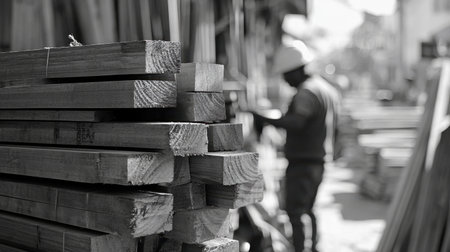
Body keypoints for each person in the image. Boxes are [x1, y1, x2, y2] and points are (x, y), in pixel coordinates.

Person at [252, 41, 340, 252]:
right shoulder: (326, 89)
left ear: (296, 70)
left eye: (286, 74)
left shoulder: (306, 93)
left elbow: (297, 122)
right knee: (308, 209)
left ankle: (301, 249)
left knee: (295, 211)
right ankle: (314, 247)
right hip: (319, 160)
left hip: (304, 163)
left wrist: (265, 119)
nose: (284, 79)